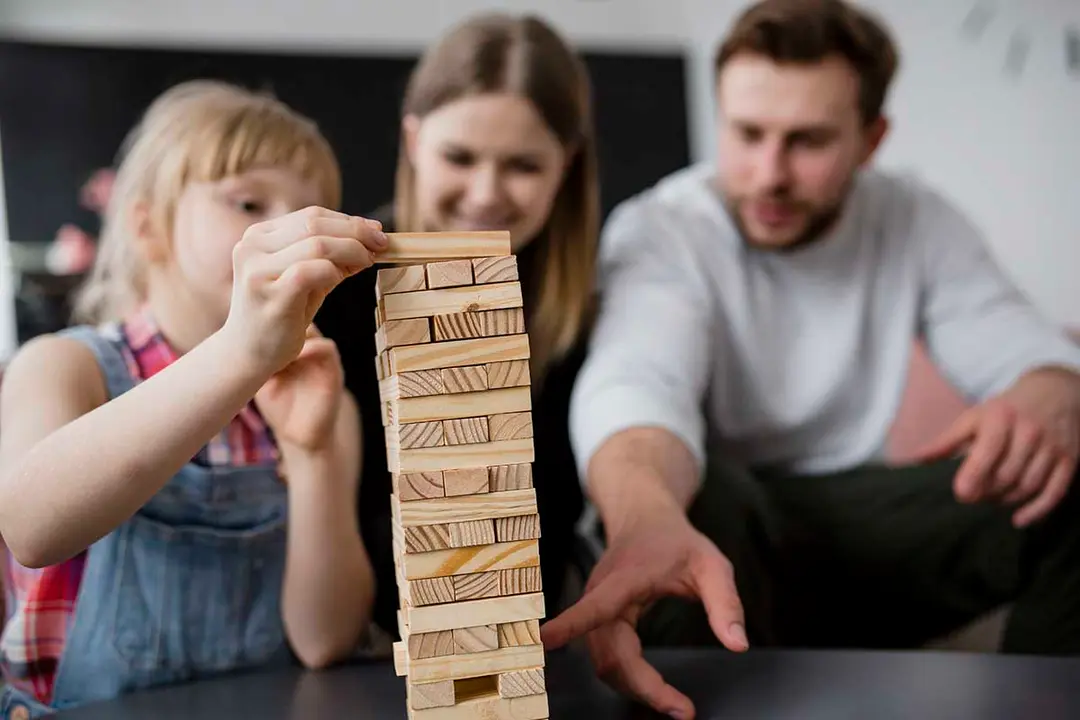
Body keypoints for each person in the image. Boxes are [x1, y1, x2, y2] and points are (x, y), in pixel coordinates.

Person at [540, 0, 1080, 717]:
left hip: (859, 530)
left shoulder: (915, 218)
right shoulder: (662, 230)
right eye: (748, 133)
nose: (769, 173)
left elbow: (1015, 343)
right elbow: (639, 385)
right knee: (694, 501)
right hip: (716, 530)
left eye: (808, 141)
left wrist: (1051, 391)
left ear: (871, 138)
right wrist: (643, 514)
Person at [0, 80, 384, 715]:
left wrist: (312, 454)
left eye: (309, 214)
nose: (284, 231)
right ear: (149, 227)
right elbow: (30, 530)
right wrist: (241, 352)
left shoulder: (323, 400)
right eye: (249, 202)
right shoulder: (67, 366)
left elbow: (324, 640)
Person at [314, 12, 599, 637]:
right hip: (358, 648)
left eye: (523, 165)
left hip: (528, 653)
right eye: (459, 157)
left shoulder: (590, 309)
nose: (485, 192)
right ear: (414, 141)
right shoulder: (334, 293)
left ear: (567, 163)